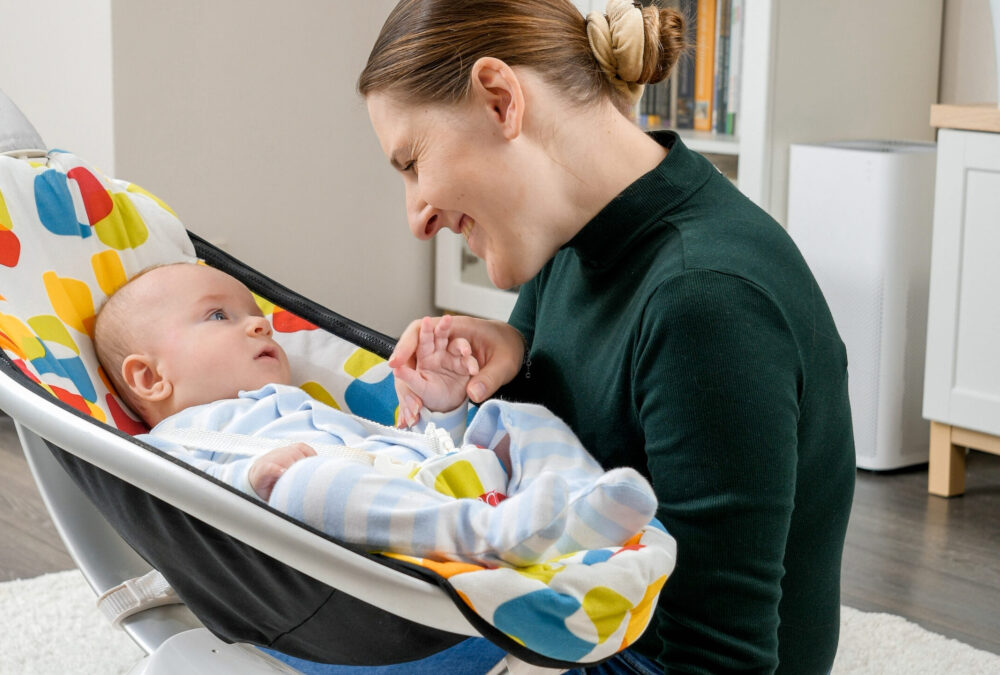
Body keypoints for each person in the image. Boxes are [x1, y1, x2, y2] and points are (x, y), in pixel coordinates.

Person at [359, 0, 856, 673]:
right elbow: (553, 456)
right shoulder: (576, 235)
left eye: (413, 162)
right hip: (583, 625)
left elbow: (719, 659)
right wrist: (509, 356)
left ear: (501, 100)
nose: (416, 217)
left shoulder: (705, 302)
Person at [92, 261, 659, 568]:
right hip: (352, 530)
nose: (259, 323)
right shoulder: (177, 437)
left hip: (431, 486)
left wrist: (448, 412)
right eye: (218, 316)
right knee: (306, 482)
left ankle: (582, 503)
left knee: (517, 421)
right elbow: (185, 503)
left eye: (253, 311)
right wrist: (256, 477)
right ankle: (497, 536)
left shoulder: (306, 404)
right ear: (150, 377)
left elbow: (407, 453)